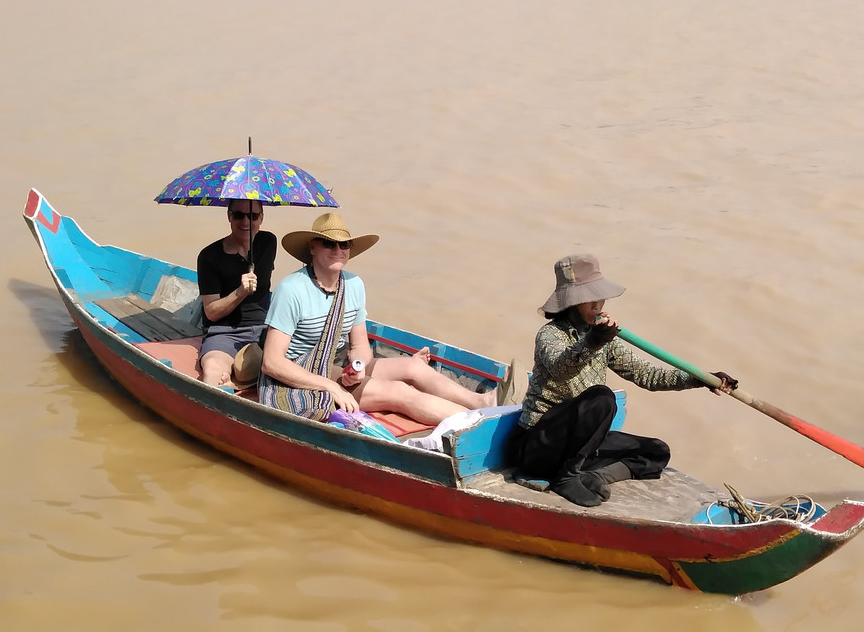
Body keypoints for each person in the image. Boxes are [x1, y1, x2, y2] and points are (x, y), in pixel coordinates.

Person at [508, 253, 738, 508]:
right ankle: (566, 478)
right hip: (539, 447)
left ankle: (594, 475)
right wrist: (593, 342)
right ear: (572, 302)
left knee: (655, 452)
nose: (598, 304)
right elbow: (561, 368)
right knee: (602, 397)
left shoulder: (604, 338)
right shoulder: (550, 335)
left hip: (577, 448)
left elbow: (647, 376)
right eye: (589, 298)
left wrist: (701, 379)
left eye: (600, 297)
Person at [260, 212, 522, 425]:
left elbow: (360, 345)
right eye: (329, 243)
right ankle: (477, 424)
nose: (338, 250)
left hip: (338, 363)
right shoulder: (291, 290)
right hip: (308, 370)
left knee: (415, 367)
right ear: (313, 248)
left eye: (344, 244)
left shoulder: (353, 285)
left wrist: (359, 366)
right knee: (400, 392)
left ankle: (483, 403)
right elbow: (272, 363)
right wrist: (332, 387)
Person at [196, 199, 277, 389]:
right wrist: (240, 293)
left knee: (298, 361)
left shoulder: (268, 242)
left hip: (266, 327)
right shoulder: (209, 256)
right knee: (213, 371)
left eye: (253, 216)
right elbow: (211, 312)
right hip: (225, 332)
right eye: (239, 215)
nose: (246, 222)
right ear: (229, 216)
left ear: (261, 218)